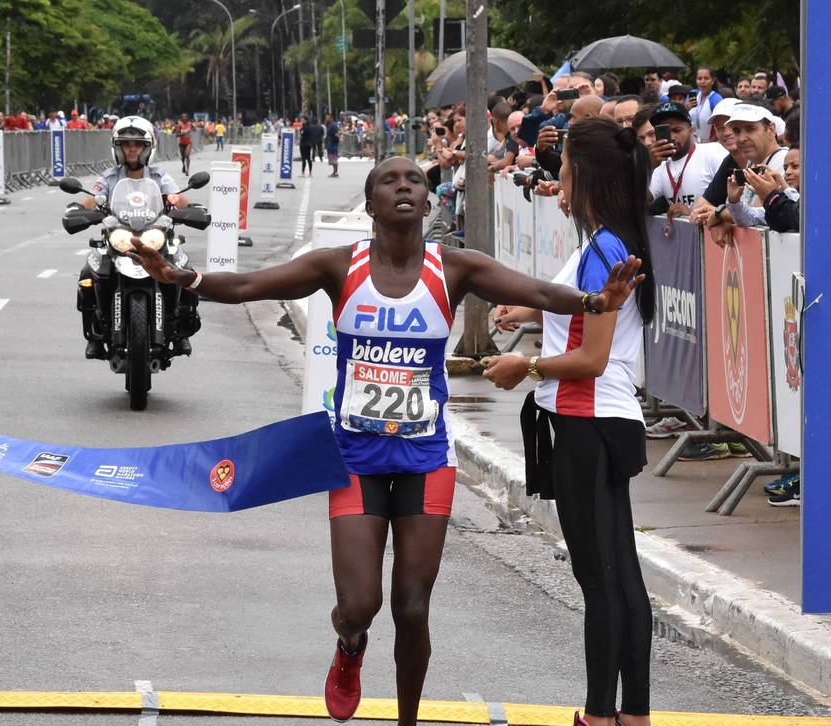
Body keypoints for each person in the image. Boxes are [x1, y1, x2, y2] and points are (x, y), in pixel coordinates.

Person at [126, 154, 643, 726]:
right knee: (358, 606)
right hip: (355, 456)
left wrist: (597, 303)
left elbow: (544, 294)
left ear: (427, 201)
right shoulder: (336, 265)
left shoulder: (455, 268)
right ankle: (349, 648)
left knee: (413, 606)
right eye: (389, 182)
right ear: (370, 205)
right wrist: (183, 279)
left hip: (426, 458)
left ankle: (406, 721)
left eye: (415, 181)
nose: (404, 187)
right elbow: (250, 284)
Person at [484, 117, 656, 726]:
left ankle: (599, 716)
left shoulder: (606, 247)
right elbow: (580, 318)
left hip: (589, 418)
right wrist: (529, 308)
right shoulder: (607, 241)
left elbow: (591, 357)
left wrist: (524, 367)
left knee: (601, 578)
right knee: (618, 573)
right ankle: (630, 715)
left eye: (561, 163)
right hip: (602, 418)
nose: (555, 173)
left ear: (582, 172)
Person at [76, 115, 198, 361]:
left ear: (147, 147)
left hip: (155, 240)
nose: (132, 148)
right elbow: (91, 199)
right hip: (119, 241)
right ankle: (95, 335)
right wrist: (78, 209)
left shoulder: (160, 177)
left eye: (138, 144)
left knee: (185, 268)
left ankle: (180, 326)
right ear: (117, 147)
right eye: (126, 143)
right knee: (88, 274)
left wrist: (192, 207)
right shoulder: (109, 178)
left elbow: (177, 198)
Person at [645, 102, 728, 219]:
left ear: (691, 129)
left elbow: (736, 199)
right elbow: (641, 201)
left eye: (677, 130)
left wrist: (691, 213)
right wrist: (650, 166)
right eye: (665, 132)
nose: (672, 137)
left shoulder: (713, 152)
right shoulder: (659, 167)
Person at [687, 67, 724, 141]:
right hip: (693, 144)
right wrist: (686, 108)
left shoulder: (716, 99)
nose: (702, 81)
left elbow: (721, 124)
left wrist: (711, 141)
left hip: (710, 144)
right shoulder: (693, 95)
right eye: (699, 79)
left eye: (706, 78)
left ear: (713, 81)